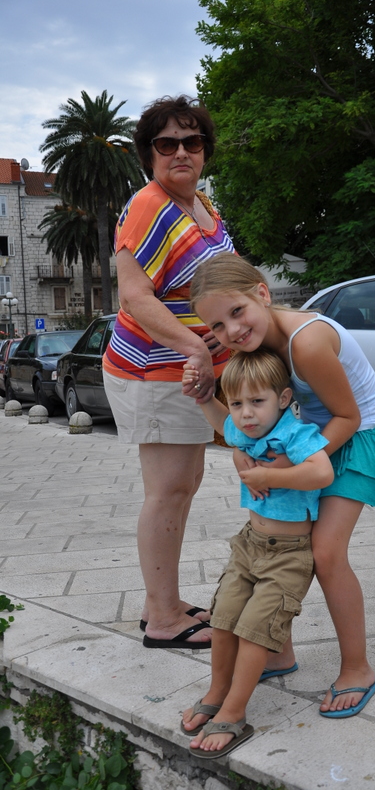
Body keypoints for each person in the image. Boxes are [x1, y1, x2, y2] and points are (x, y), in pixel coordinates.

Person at [187, 253, 375, 717]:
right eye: (218, 325)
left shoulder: (307, 342)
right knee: (280, 539)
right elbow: (249, 417)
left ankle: (358, 668)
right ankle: (278, 654)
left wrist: (281, 467)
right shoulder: (252, 342)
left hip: (357, 436)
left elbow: (349, 416)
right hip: (312, 436)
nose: (232, 330)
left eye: (237, 312)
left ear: (262, 293)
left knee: (325, 552)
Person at [102, 96, 236, 649]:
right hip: (155, 372)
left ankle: (165, 601)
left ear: (204, 150)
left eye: (192, 141)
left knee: (183, 486)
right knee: (168, 491)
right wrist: (195, 347)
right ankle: (162, 620)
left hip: (184, 372)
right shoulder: (148, 207)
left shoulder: (200, 205)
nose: (181, 151)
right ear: (149, 154)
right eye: (167, 143)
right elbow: (136, 297)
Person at [180, 348, 333, 757]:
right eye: (237, 403)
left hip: (289, 555)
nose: (246, 414)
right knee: (224, 617)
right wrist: (204, 398)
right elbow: (223, 424)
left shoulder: (296, 433)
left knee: (253, 629)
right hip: (248, 545)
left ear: (283, 399)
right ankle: (217, 692)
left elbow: (322, 471)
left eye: (257, 402)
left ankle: (233, 711)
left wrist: (269, 474)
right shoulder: (244, 430)